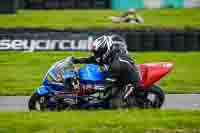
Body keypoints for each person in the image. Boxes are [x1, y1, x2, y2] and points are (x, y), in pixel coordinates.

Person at [71, 35, 141, 108]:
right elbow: (91, 59)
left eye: (98, 53)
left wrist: (87, 87)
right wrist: (75, 60)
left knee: (114, 104)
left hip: (130, 83)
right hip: (119, 78)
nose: (96, 55)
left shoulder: (115, 65)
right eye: (95, 52)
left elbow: (105, 86)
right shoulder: (109, 55)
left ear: (105, 51)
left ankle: (134, 105)